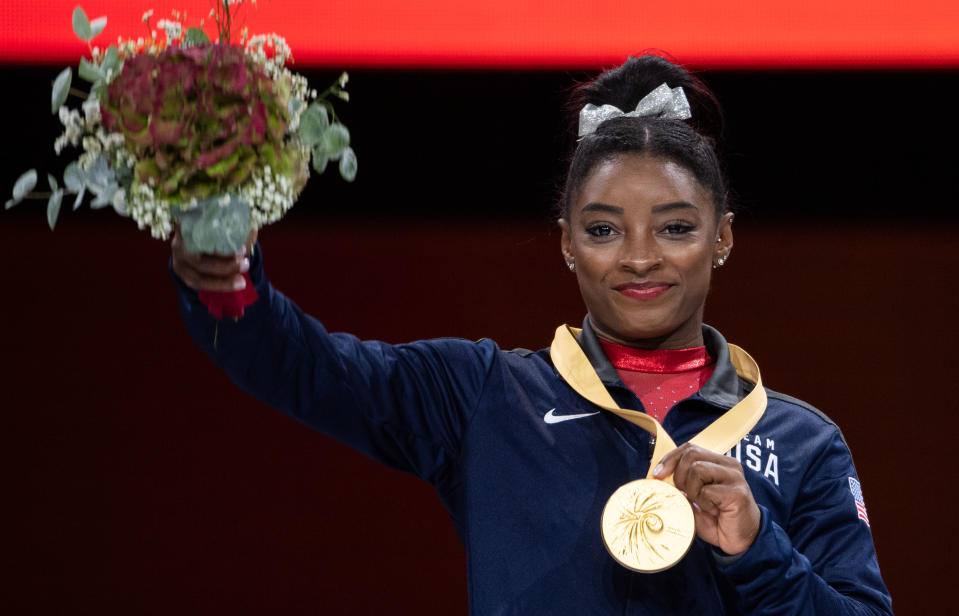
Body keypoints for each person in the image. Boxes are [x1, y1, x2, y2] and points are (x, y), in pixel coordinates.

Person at [170, 55, 893, 614]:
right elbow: (303, 366)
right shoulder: (484, 397)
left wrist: (758, 549)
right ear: (567, 244)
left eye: (674, 228)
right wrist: (220, 272)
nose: (639, 256)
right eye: (603, 229)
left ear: (721, 237)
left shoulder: (804, 444)